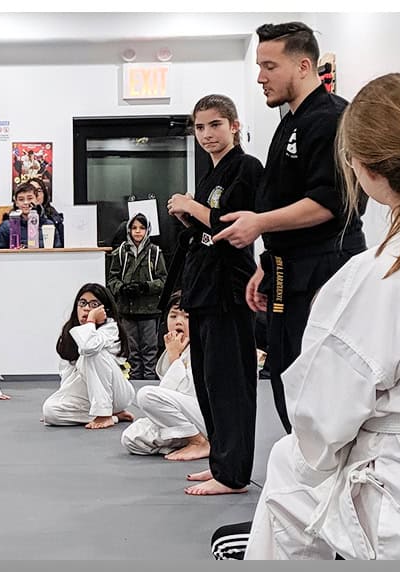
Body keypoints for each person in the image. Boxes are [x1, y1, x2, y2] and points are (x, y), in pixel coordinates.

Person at [243, 73, 400, 560]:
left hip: (395, 495)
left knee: (287, 465)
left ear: (365, 169)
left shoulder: (378, 277)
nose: (261, 76)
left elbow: (322, 421)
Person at [213, 22, 367, 434]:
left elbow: (329, 204)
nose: (261, 77)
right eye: (258, 67)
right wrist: (267, 262)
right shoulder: (289, 122)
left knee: (318, 380)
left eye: (269, 66)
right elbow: (284, 196)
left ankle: (327, 486)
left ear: (303, 65)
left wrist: (259, 223)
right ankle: (305, 481)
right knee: (284, 370)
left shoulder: (332, 118)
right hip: (288, 268)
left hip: (326, 268)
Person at [164, 94, 263, 496]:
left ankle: (235, 474)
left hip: (229, 289)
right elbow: (206, 231)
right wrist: (189, 215)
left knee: (230, 384)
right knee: (208, 384)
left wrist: (193, 206)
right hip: (203, 289)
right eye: (200, 127)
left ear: (234, 126)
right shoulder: (210, 174)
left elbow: (233, 225)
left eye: (215, 125)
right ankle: (221, 462)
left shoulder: (247, 169)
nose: (207, 135)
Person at [121, 291, 208, 459]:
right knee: (131, 438)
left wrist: (175, 357)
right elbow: (166, 400)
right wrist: (174, 355)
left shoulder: (204, 347)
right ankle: (186, 438)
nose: (178, 322)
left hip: (205, 416)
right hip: (185, 417)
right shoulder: (176, 347)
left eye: (187, 317)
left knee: (146, 395)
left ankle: (199, 442)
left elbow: (184, 392)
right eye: (173, 316)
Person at [42, 283, 135, 429]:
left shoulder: (110, 327)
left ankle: (104, 414)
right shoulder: (71, 330)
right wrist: (64, 404)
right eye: (82, 303)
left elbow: (88, 346)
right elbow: (67, 376)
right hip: (88, 395)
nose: (86, 308)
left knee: (92, 353)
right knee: (50, 411)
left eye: (94, 304)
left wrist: (91, 320)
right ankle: (114, 416)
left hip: (116, 393)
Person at [106, 213, 167, 380]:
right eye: (134, 228)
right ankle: (133, 383)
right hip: (127, 309)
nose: (138, 231)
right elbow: (112, 279)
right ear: (128, 230)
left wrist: (145, 287)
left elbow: (164, 280)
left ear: (148, 230)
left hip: (149, 310)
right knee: (131, 349)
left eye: (142, 228)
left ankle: (148, 381)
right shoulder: (120, 254)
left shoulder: (155, 253)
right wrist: (122, 288)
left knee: (149, 349)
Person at [0, 182, 63, 248]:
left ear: (37, 200)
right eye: (21, 199)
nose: (26, 202)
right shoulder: (6, 226)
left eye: (30, 198)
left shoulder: (48, 225)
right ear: (16, 203)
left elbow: (58, 251)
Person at [28, 177, 65, 247]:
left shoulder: (54, 217)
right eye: (31, 190)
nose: (35, 194)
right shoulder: (16, 217)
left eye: (38, 190)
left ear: (44, 194)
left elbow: (61, 246)